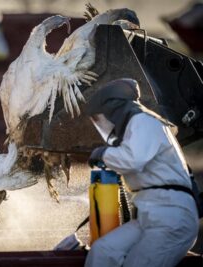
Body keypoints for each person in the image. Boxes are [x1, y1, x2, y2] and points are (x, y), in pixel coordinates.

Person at [84, 78, 199, 267]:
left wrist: (103, 154)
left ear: (113, 111)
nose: (101, 126)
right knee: (103, 251)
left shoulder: (142, 121)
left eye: (99, 119)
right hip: (153, 215)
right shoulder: (138, 126)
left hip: (171, 219)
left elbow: (132, 159)